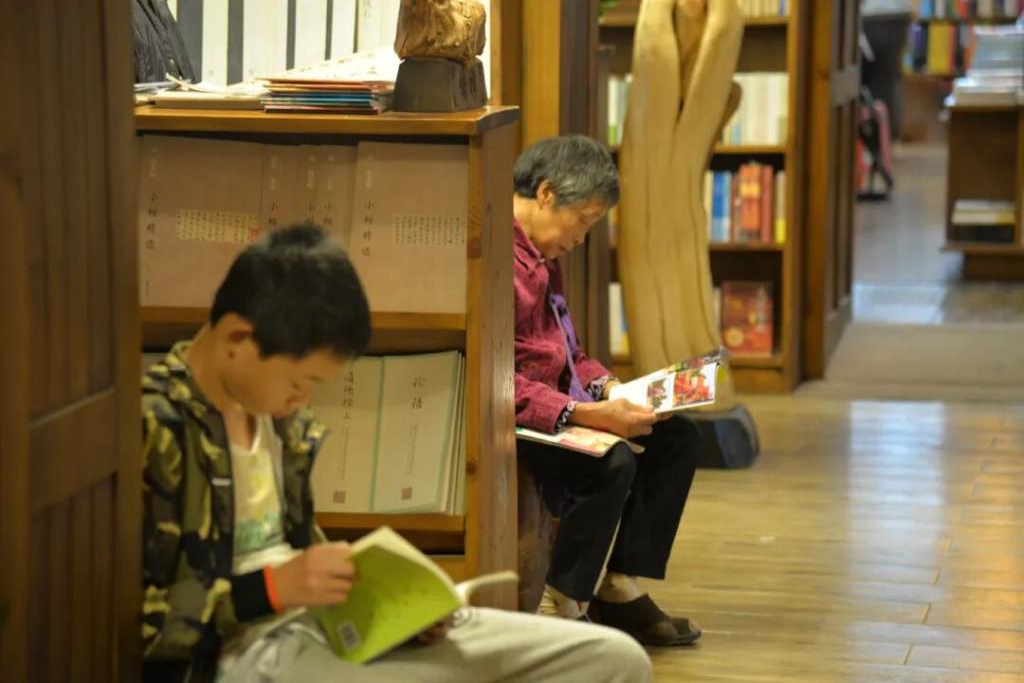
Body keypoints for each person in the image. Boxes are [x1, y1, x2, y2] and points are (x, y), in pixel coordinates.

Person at [141, 224, 652, 682]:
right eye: (300, 382)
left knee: (612, 658)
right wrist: (273, 589)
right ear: (237, 339)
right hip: (243, 654)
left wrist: (394, 610)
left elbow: (297, 550)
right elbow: (141, 625)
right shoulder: (155, 427)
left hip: (329, 627)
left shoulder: (272, 417)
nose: (301, 402)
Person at [513, 135, 704, 646]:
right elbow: (497, 381)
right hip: (524, 419)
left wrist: (613, 388)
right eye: (585, 220)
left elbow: (570, 352)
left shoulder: (543, 258)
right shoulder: (496, 260)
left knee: (677, 438)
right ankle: (561, 602)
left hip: (564, 408)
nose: (583, 237)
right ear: (547, 194)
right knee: (610, 461)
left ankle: (618, 585)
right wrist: (584, 414)